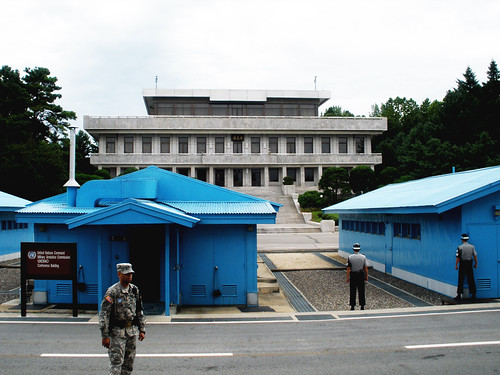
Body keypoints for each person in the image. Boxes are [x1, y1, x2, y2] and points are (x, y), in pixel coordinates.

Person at [99, 263, 146, 375]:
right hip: (117, 333)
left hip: (131, 332)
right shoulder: (112, 292)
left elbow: (139, 310)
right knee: (116, 365)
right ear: (119, 274)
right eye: (126, 274)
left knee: (128, 365)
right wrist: (105, 335)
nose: (129, 276)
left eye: (130, 274)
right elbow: (104, 314)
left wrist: (142, 329)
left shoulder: (134, 290)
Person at [455, 233, 478, 300]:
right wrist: (476, 263)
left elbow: (458, 257)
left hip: (462, 263)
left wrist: (456, 265)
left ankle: (459, 294)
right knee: (471, 278)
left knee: (461, 279)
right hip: (469, 263)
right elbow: (475, 256)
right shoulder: (472, 247)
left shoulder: (460, 247)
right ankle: (473, 294)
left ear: (462, 239)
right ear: (467, 239)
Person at [346, 243, 368, 310]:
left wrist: (347, 277)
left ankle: (352, 305)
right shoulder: (363, 257)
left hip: (353, 275)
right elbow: (365, 267)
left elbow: (348, 268)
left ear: (353, 249)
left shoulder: (350, 257)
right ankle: (362, 305)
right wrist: (366, 276)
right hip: (360, 275)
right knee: (361, 290)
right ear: (359, 249)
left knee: (352, 291)